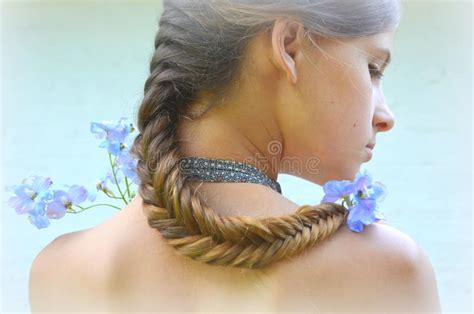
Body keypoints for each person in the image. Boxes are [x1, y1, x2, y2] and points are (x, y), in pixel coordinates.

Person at [29, 0, 442, 312]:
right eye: (372, 67)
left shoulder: (60, 270)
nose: (385, 116)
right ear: (289, 46)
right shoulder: (382, 269)